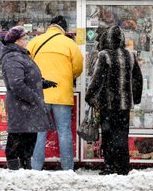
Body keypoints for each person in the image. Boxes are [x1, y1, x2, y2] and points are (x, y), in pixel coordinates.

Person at [85, 25, 143, 175]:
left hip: (108, 104)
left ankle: (110, 166)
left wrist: (90, 96)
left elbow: (97, 79)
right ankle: (123, 166)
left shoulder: (104, 55)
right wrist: (136, 98)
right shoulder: (130, 55)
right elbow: (138, 79)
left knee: (108, 135)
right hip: (124, 104)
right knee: (122, 135)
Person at [28, 15, 83, 171]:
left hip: (40, 93)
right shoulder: (69, 44)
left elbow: (26, 65)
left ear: (50, 26)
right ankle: (67, 168)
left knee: (40, 132)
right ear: (63, 29)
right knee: (64, 131)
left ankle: (36, 168)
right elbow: (78, 67)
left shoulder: (35, 41)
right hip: (62, 94)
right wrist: (67, 77)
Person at [0, 26, 54, 170]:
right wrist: (35, 97)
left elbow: (27, 78)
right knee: (16, 141)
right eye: (24, 38)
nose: (27, 41)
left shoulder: (20, 54)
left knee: (28, 141)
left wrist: (41, 83)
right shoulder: (12, 57)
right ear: (16, 41)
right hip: (21, 107)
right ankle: (15, 172)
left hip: (27, 107)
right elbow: (16, 84)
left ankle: (25, 170)